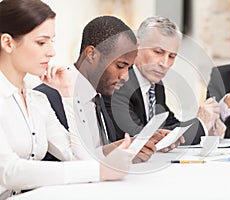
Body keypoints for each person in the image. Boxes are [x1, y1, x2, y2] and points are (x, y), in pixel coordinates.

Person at [0, 0, 134, 198]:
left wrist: (68, 95)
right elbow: (9, 172)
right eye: (41, 42)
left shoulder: (37, 101)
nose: (51, 52)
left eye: (51, 41)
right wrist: (99, 171)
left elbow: (78, 157)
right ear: (8, 43)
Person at [35, 16, 173, 163]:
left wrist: (131, 145)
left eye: (129, 67)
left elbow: (95, 152)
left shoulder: (100, 94)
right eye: (120, 66)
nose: (125, 77)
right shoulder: (47, 98)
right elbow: (71, 161)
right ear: (91, 54)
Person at [104, 16, 225, 145]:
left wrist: (207, 128)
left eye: (172, 56)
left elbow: (170, 125)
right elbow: (143, 140)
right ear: (137, 46)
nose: (165, 63)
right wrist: (201, 123)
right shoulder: (119, 83)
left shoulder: (155, 85)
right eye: (158, 52)